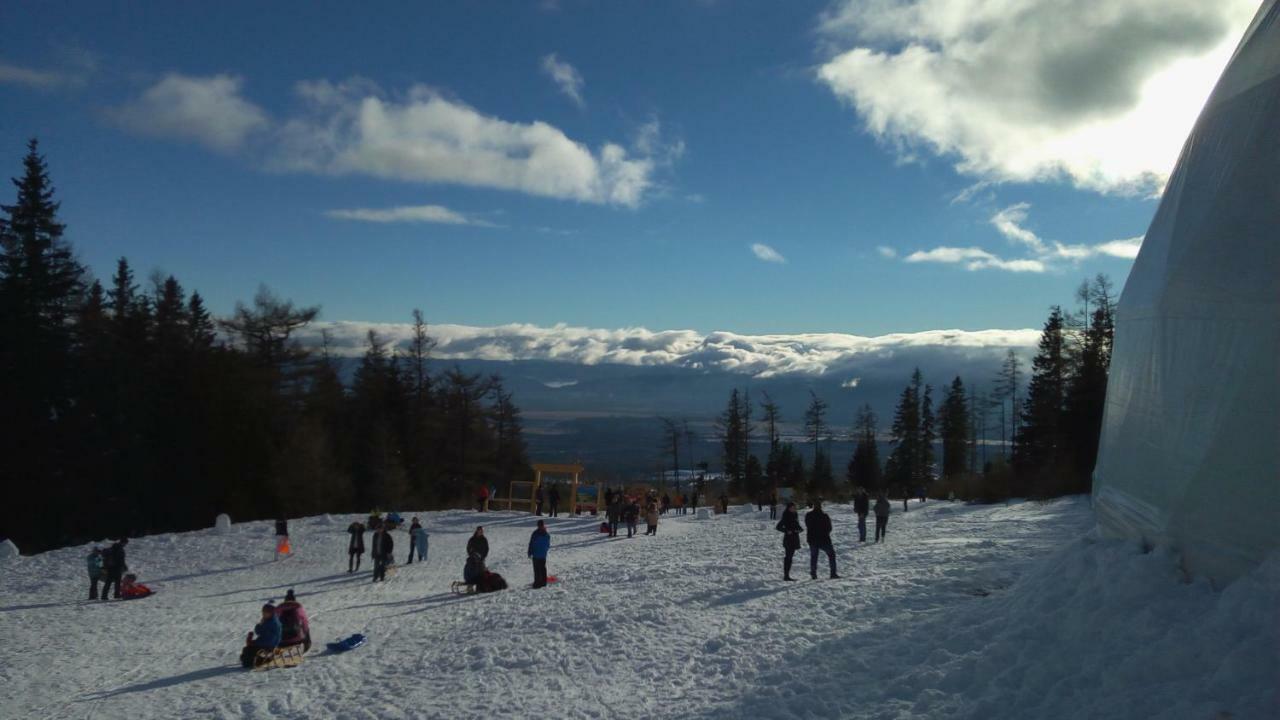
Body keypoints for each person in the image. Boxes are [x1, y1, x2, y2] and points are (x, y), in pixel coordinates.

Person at [804, 500, 839, 580]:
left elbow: (807, 525)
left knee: (814, 557)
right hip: (824, 539)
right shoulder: (824, 515)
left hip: (812, 539)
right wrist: (825, 533)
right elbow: (829, 528)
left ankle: (813, 573)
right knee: (831, 555)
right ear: (821, 506)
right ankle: (833, 573)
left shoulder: (808, 515)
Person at [241, 603, 282, 668]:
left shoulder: (273, 623)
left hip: (269, 646)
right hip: (265, 644)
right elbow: (259, 632)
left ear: (271, 613)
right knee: (247, 649)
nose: (263, 614)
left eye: (266, 612)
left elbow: (269, 640)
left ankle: (256, 661)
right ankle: (249, 660)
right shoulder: (267, 621)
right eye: (263, 612)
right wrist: (260, 624)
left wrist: (255, 643)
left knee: (249, 651)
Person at [775, 502, 802, 581]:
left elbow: (797, 524)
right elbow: (778, 527)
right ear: (789, 508)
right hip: (788, 539)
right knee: (788, 557)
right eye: (793, 507)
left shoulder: (795, 514)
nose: (794, 508)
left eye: (795, 507)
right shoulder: (786, 516)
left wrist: (800, 529)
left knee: (790, 557)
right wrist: (787, 531)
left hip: (795, 538)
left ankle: (787, 575)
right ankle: (786, 576)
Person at [528, 520, 551, 588]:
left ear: (538, 525)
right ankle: (543, 582)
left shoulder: (535, 533)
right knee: (543, 568)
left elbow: (531, 543)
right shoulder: (547, 534)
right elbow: (548, 544)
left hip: (536, 554)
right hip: (543, 555)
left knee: (537, 569)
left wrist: (530, 552)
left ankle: (537, 583)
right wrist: (545, 551)